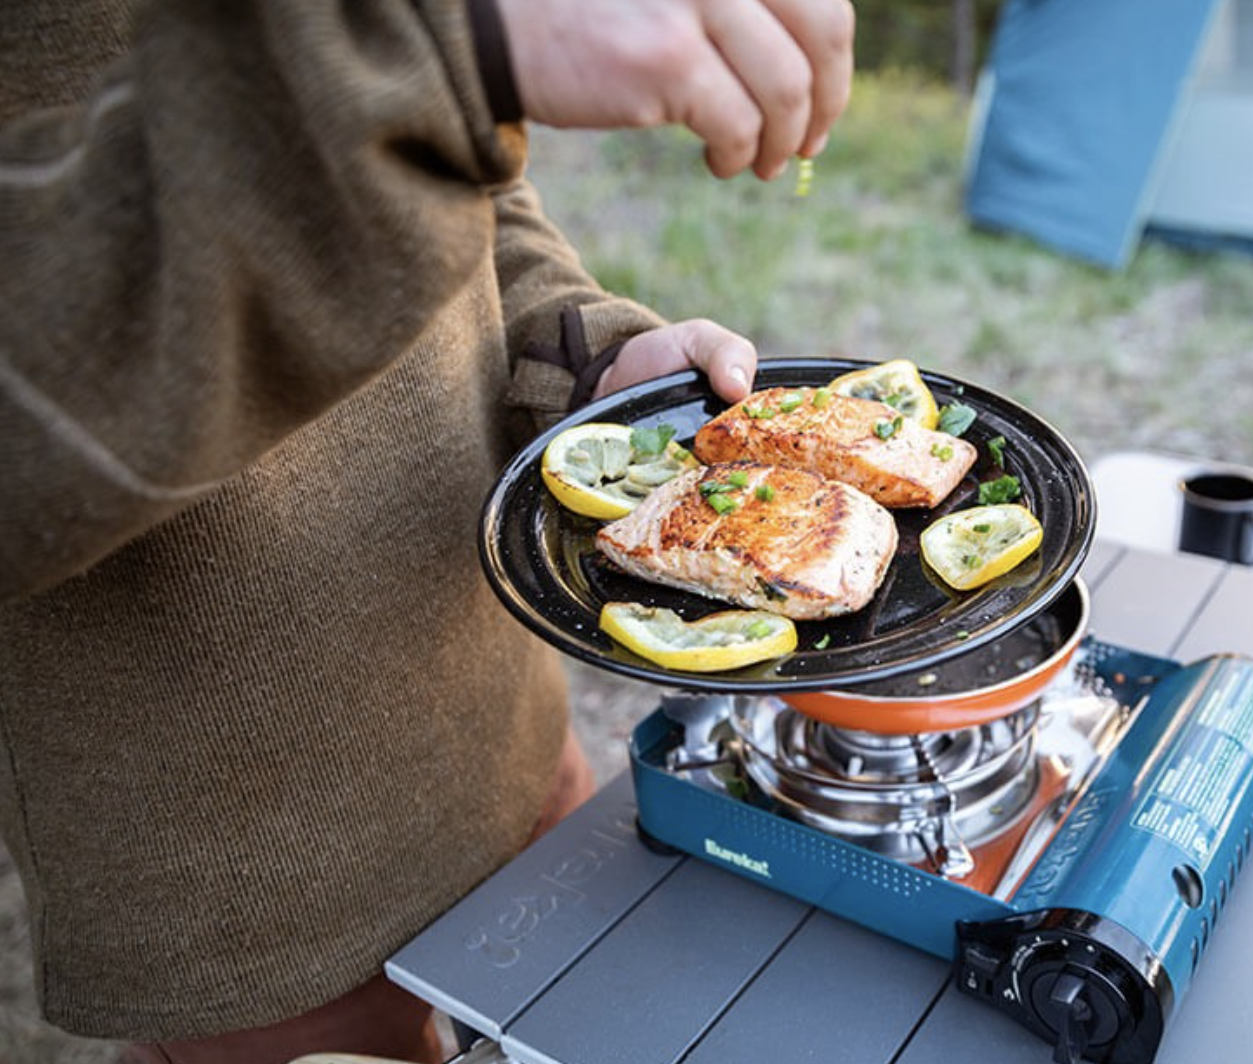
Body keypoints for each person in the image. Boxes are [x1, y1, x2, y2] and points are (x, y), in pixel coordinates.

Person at [0, 0, 854, 1061]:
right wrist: (448, 52)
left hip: (511, 738)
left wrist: (585, 366)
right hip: (256, 871)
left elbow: (458, 181)